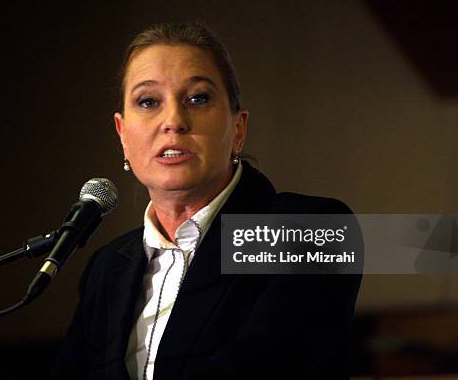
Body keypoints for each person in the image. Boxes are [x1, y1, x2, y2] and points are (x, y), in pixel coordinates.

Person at [48, 21, 362, 380]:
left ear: (238, 129)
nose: (174, 121)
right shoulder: (107, 269)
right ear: (122, 134)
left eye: (198, 98)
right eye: (148, 101)